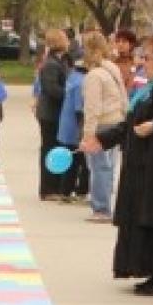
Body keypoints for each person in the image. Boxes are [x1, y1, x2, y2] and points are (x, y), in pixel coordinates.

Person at [80, 37, 153, 296]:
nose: (143, 62)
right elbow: (130, 124)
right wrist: (102, 139)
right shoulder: (152, 88)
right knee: (142, 219)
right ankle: (149, 270)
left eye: (148, 58)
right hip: (142, 166)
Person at [79, 32, 127, 222]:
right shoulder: (112, 68)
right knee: (109, 167)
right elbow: (123, 95)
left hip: (101, 123)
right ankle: (105, 203)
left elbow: (92, 108)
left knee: (99, 167)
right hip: (115, 120)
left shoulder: (94, 75)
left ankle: (101, 208)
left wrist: (88, 134)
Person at [36, 29, 71, 201]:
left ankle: (54, 186)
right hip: (50, 113)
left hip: (54, 112)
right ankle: (48, 188)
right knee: (50, 149)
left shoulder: (58, 61)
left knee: (53, 148)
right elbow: (52, 89)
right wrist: (69, 94)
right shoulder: (51, 64)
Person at [57, 57, 90, 203]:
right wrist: (83, 130)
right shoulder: (82, 82)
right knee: (80, 161)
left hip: (66, 124)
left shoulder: (72, 77)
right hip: (75, 127)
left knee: (70, 160)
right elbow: (79, 109)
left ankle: (65, 191)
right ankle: (79, 191)